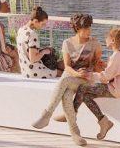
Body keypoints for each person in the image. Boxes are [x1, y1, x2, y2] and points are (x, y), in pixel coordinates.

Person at [32, 14, 103, 147]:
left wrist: (89, 72)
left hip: (85, 80)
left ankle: (47, 114)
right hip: (72, 77)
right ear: (77, 28)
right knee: (66, 95)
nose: (89, 30)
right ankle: (75, 133)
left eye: (90, 27)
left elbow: (98, 66)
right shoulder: (67, 43)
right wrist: (77, 73)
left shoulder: (95, 44)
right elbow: (67, 67)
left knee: (64, 81)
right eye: (86, 28)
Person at [17, 6, 56, 79]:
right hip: (34, 72)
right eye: (42, 24)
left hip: (24, 70)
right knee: (58, 71)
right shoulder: (32, 34)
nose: (43, 26)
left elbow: (27, 51)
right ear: (35, 21)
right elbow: (33, 59)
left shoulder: (21, 30)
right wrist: (44, 51)